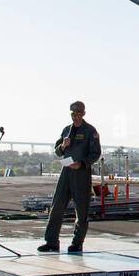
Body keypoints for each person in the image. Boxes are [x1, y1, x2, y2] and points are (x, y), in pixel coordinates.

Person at [38, 100, 101, 254]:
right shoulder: (67, 130)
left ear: (83, 114)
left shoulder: (90, 131)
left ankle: (77, 243)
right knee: (56, 208)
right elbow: (57, 151)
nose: (76, 116)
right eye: (73, 114)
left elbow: (96, 153)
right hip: (66, 173)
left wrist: (82, 164)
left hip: (81, 174)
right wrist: (63, 146)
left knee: (81, 211)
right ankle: (51, 242)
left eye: (79, 113)